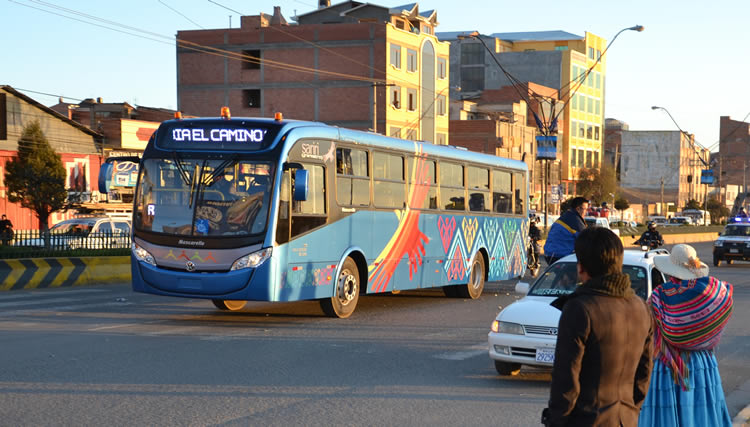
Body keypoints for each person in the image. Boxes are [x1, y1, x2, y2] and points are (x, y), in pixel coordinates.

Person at [542, 227, 653, 427]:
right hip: (627, 419)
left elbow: (566, 380)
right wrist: (630, 410)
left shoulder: (580, 308)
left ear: (581, 267)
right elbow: (643, 376)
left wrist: (557, 421)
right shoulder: (641, 308)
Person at [638, 244, 734, 427]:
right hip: (701, 364)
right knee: (701, 414)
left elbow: (647, 333)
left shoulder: (660, 296)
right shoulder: (708, 295)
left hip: (669, 368)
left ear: (671, 270)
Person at [543, 197, 589, 265]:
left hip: (548, 254)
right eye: (585, 209)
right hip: (561, 256)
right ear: (578, 209)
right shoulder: (575, 220)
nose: (586, 212)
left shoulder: (565, 217)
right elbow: (587, 239)